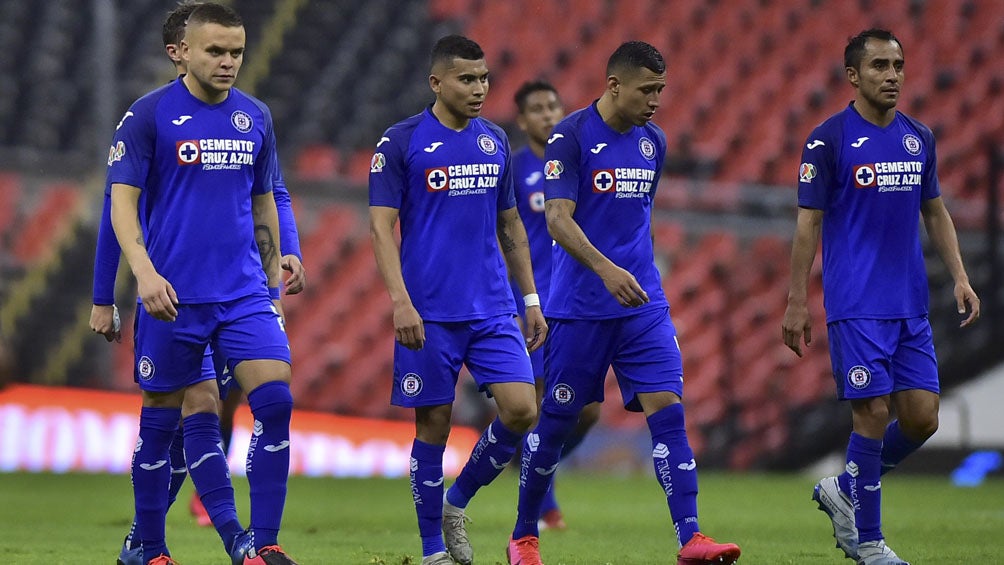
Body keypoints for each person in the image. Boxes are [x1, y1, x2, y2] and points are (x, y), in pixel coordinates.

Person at [505, 41, 741, 565]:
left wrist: (634, 273)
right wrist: (607, 269)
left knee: (669, 411)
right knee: (560, 420)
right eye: (647, 89)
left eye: (661, 89)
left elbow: (636, 220)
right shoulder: (570, 136)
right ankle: (523, 536)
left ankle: (691, 537)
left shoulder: (652, 141)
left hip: (642, 305)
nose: (657, 100)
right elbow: (558, 219)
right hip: (581, 306)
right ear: (615, 85)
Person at [90, 3, 306, 563]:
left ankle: (263, 544)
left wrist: (282, 256)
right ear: (179, 52)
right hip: (172, 298)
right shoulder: (147, 115)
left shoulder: (255, 115)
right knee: (165, 421)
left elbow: (267, 196)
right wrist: (137, 278)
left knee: (276, 398)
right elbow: (119, 209)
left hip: (241, 294)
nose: (229, 61)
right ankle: (151, 547)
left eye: (236, 51)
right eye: (215, 50)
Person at [782, 28, 979, 565]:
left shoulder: (919, 137)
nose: (891, 75)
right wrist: (797, 300)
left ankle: (846, 487)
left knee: (921, 419)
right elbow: (808, 224)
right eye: (879, 67)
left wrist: (959, 275)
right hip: (855, 303)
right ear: (853, 75)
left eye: (897, 65)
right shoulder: (829, 140)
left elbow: (934, 210)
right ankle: (868, 542)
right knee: (870, 413)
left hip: (909, 302)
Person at [369, 35, 546, 565]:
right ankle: (431, 552)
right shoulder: (400, 143)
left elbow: (510, 222)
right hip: (428, 312)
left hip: (491, 307)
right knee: (434, 425)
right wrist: (400, 301)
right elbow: (381, 227)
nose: (479, 88)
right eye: (467, 79)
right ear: (436, 83)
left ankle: (457, 501)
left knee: (521, 411)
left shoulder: (494, 141)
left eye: (484, 78)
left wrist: (531, 298)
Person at [510, 80, 601, 531]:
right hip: (531, 300)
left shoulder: (579, 160)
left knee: (589, 409)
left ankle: (530, 458)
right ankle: (544, 505)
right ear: (523, 121)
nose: (548, 115)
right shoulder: (514, 168)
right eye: (538, 109)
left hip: (577, 295)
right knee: (548, 397)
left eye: (554, 106)